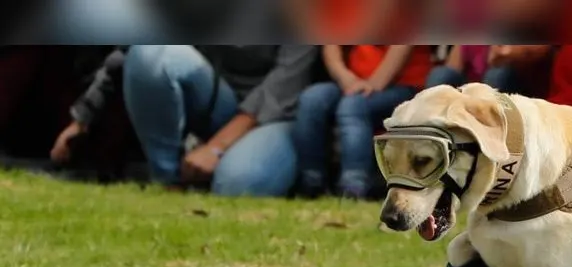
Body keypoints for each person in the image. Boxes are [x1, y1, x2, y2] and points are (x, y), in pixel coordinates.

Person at [54, 45, 320, 198]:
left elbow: (283, 87)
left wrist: (215, 148)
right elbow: (127, 51)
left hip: (276, 117)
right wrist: (84, 116)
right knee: (148, 53)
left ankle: (216, 167)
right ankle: (167, 181)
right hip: (220, 98)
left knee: (237, 184)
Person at [292, 45, 433, 199]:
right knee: (312, 99)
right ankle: (311, 183)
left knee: (353, 106)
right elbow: (331, 46)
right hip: (354, 82)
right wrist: (347, 79)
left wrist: (373, 84)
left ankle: (353, 187)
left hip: (405, 86)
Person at [424, 45, 553, 96]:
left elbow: (539, 52)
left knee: (497, 74)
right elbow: (451, 68)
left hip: (513, 88)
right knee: (441, 74)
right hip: (471, 90)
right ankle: (430, 130)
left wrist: (507, 54)